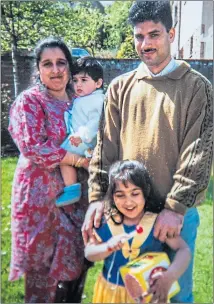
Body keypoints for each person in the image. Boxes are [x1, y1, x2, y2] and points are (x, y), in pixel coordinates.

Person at [82, 1, 213, 303]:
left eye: (154, 34)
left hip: (172, 219)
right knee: (132, 295)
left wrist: (175, 207)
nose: (146, 43)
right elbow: (105, 146)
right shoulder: (119, 88)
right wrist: (96, 199)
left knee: (175, 295)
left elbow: (199, 153)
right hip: (127, 215)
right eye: (139, 37)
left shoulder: (197, 87)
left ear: (172, 33)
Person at [8, 37, 91, 303]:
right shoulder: (30, 101)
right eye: (48, 64)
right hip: (40, 202)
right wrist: (78, 160)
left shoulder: (80, 99)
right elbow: (32, 147)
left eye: (61, 63)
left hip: (78, 200)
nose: (55, 70)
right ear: (39, 69)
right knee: (43, 277)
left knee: (76, 269)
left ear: (70, 66)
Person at [85, 160, 191, 303]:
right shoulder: (105, 222)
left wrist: (169, 277)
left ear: (145, 193)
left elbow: (184, 250)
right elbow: (89, 253)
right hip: (112, 295)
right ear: (112, 196)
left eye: (135, 193)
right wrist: (107, 247)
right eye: (120, 195)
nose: (128, 202)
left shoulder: (157, 223)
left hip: (148, 296)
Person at [56, 56, 104, 206]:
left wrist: (80, 136)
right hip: (82, 141)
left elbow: (96, 123)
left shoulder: (97, 100)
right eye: (75, 80)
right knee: (85, 164)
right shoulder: (84, 98)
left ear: (98, 83)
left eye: (84, 80)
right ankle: (98, 188)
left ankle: (72, 189)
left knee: (62, 157)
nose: (78, 85)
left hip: (84, 141)